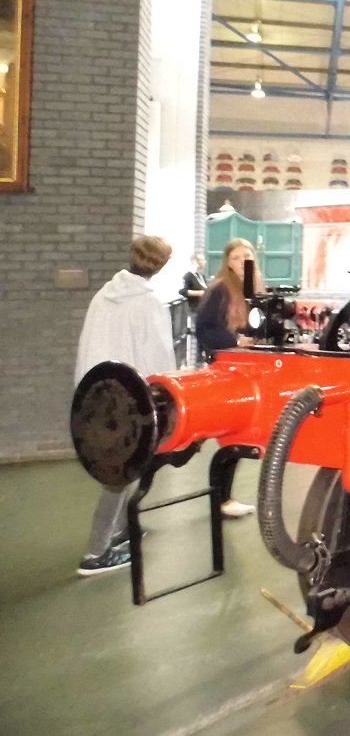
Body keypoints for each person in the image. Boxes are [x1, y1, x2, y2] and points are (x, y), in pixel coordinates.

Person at [75, 236, 177, 576]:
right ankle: (96, 552)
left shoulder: (103, 296)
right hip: (131, 398)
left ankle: (119, 532)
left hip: (97, 393)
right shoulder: (149, 304)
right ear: (160, 265)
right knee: (118, 475)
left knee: (122, 466)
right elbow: (159, 356)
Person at [195, 238, 263, 518]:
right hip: (226, 368)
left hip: (244, 367)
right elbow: (205, 327)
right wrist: (235, 339)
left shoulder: (252, 287)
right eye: (236, 257)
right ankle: (221, 500)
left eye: (247, 255)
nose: (242, 260)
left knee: (237, 437)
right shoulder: (221, 289)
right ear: (227, 262)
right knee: (230, 436)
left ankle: (224, 499)